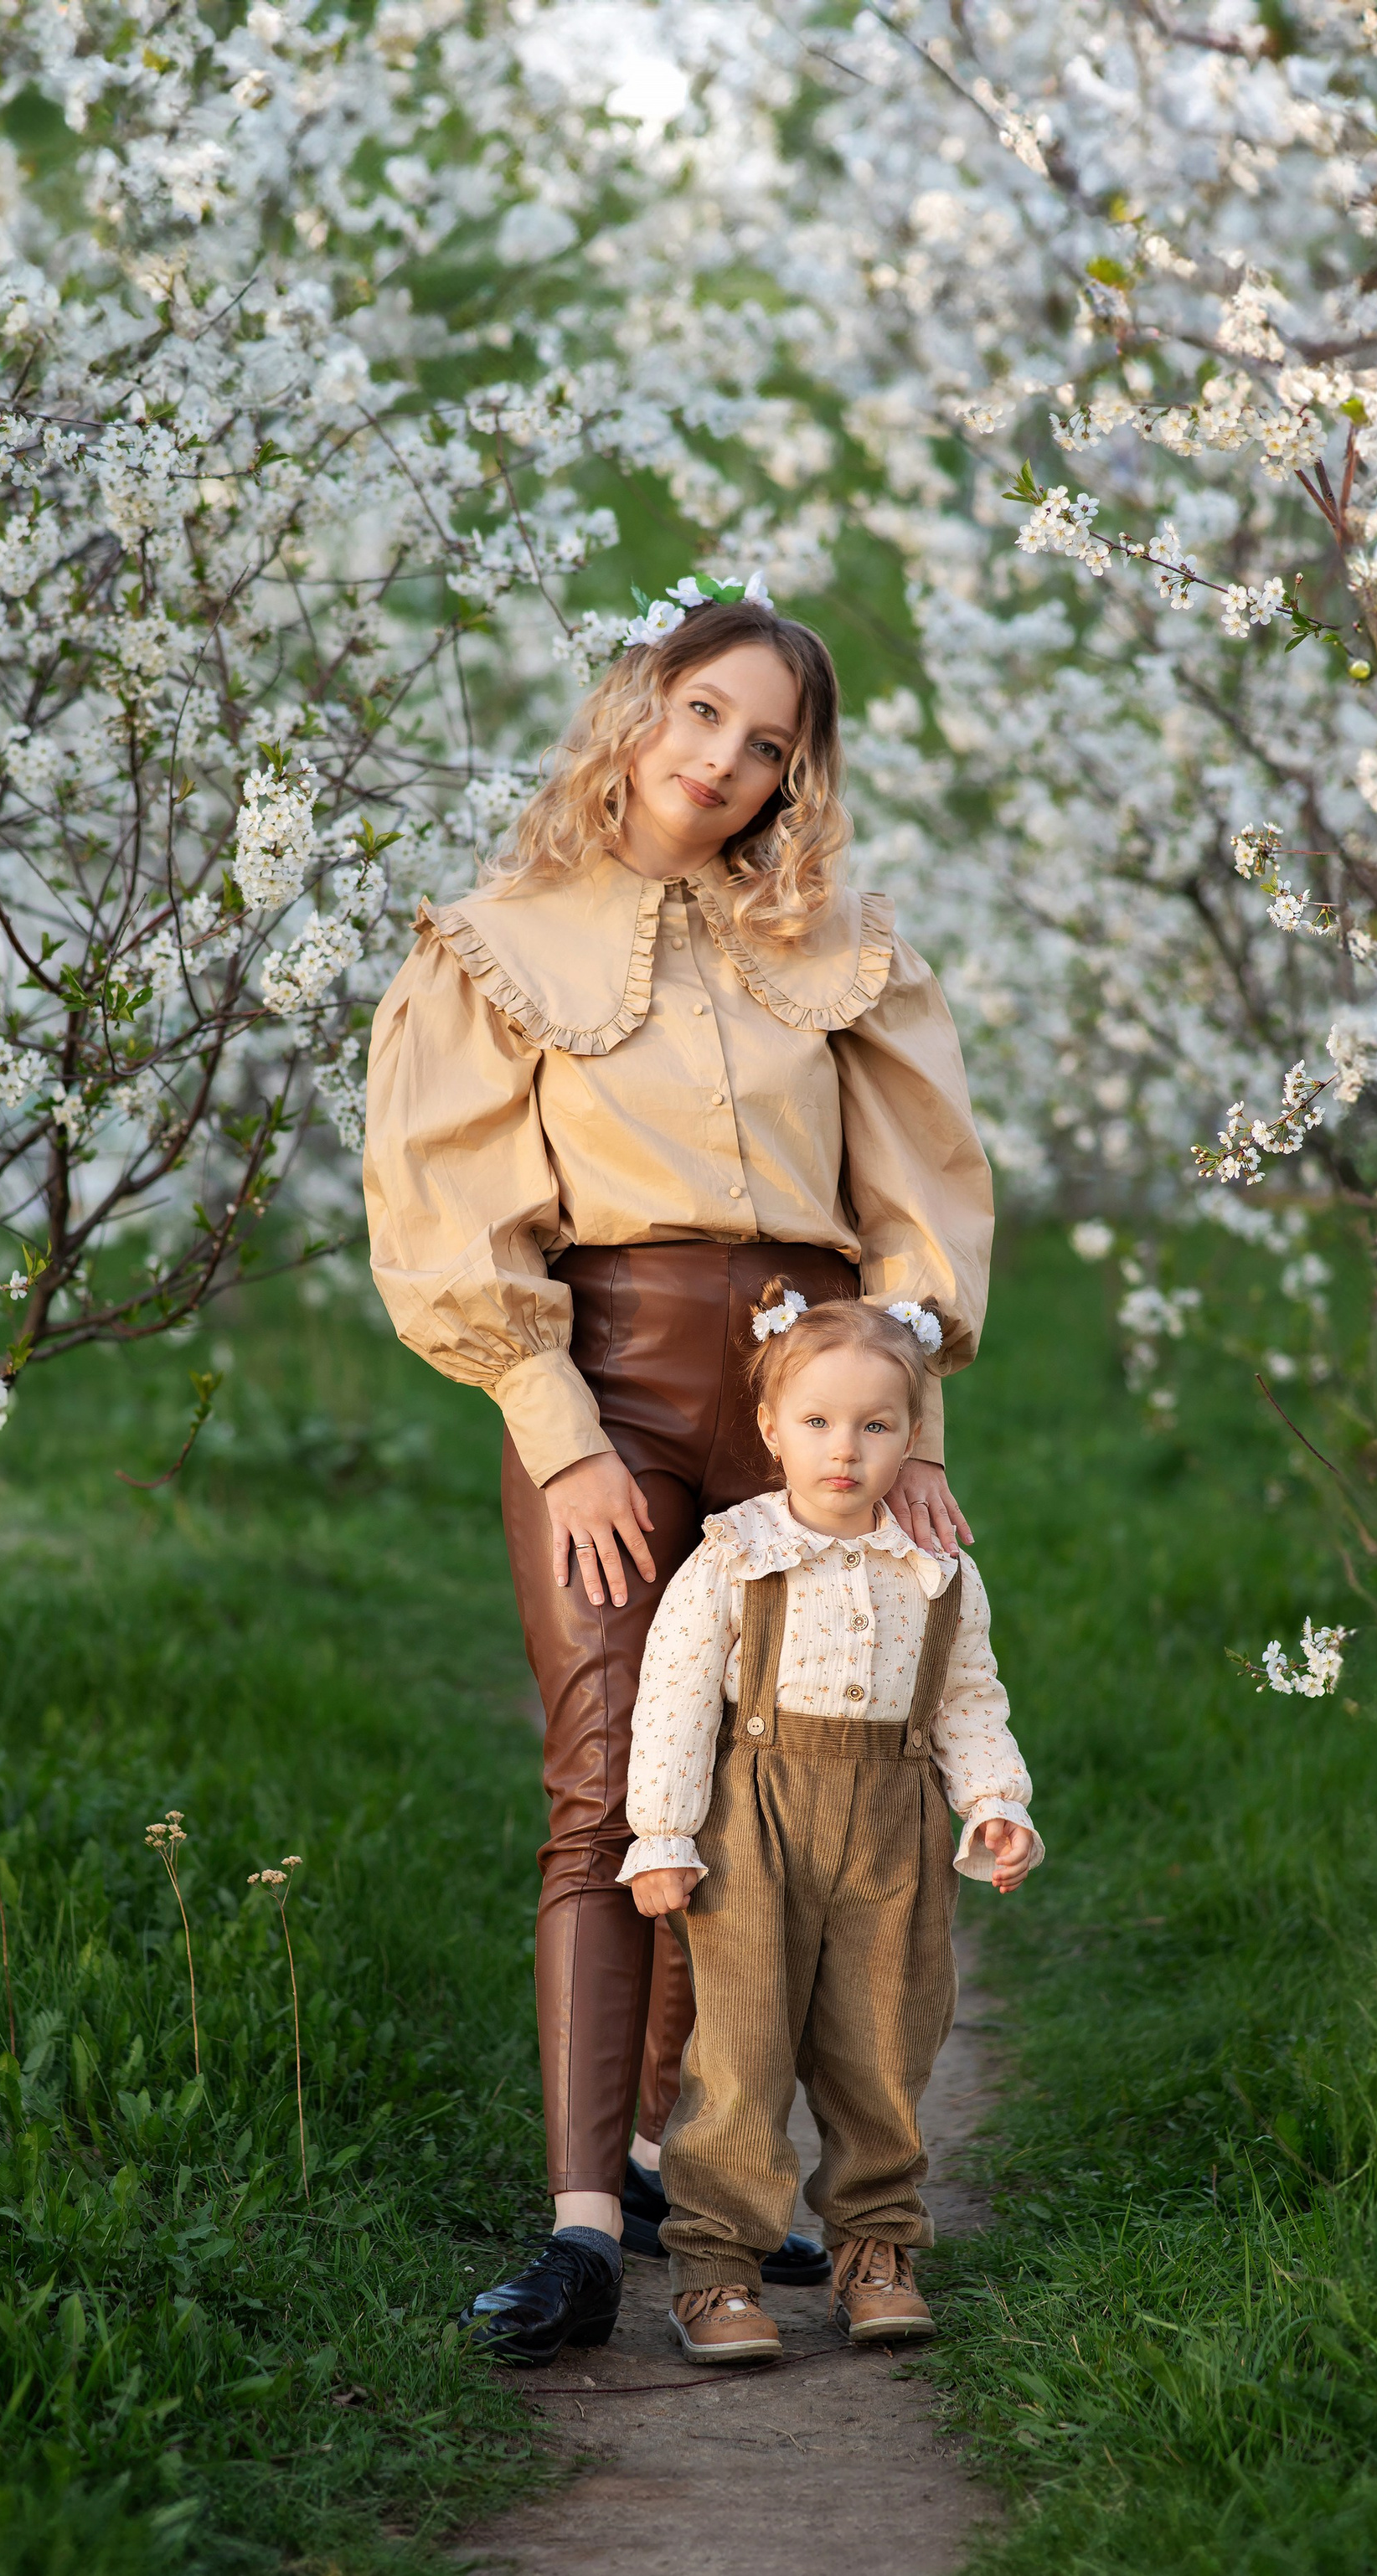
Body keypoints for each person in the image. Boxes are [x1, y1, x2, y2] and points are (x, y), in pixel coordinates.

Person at [364, 579, 993, 2366]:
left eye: (765, 746)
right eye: (699, 714)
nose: (719, 764)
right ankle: (575, 2232)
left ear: (797, 779)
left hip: (809, 1395)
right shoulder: (495, 941)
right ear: (640, 704)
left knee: (764, 1784)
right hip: (614, 1385)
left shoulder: (840, 951)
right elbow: (453, 1215)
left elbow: (912, 1206)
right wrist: (558, 1443)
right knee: (603, 1779)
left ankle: (677, 2164)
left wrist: (911, 1433)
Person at [621, 1286, 1040, 2364]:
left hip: (891, 1830)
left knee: (882, 2046)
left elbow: (966, 1698)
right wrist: (663, 1834)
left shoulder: (938, 1570)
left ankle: (875, 2253)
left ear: (913, 1434)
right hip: (752, 1828)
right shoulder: (736, 1557)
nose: (844, 1450)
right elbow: (673, 1697)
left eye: (875, 1424)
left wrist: (995, 1804)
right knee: (743, 2053)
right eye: (815, 1422)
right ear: (770, 1428)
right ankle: (717, 2273)